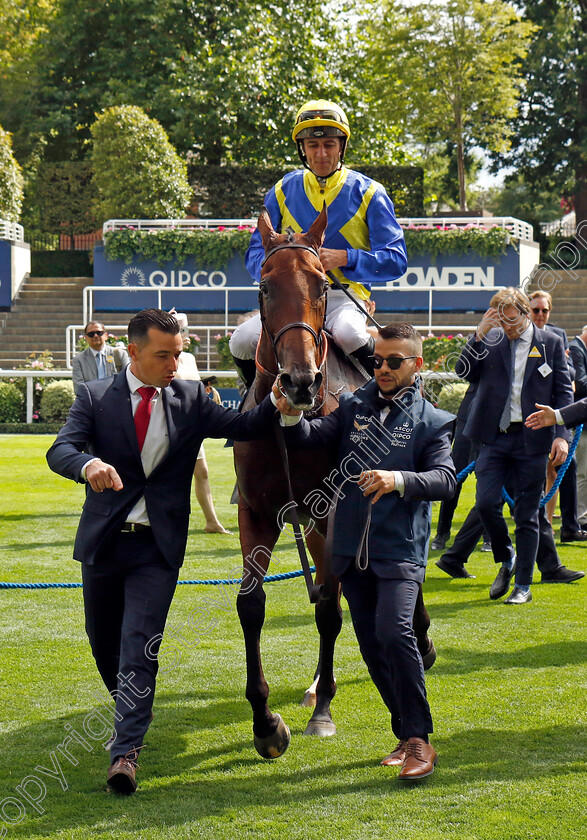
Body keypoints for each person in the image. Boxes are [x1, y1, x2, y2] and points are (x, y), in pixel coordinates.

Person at [46, 309, 277, 795]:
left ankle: (125, 752)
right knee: (103, 642)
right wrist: (88, 465)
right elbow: (61, 449)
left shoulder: (192, 397)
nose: (175, 363)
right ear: (132, 352)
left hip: (158, 549)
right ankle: (129, 709)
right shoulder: (94, 397)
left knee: (139, 645)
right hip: (104, 545)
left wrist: (281, 401)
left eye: (179, 353)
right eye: (163, 355)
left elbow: (247, 424)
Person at [274, 322, 457, 780]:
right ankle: (405, 734)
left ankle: (420, 741)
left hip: (400, 550)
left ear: (417, 365)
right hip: (351, 551)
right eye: (377, 360)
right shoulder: (353, 406)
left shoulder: (433, 421)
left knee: (396, 635)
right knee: (373, 645)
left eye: (394, 361)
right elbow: (310, 441)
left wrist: (398, 480)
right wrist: (292, 416)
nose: (383, 368)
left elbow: (446, 481)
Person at [229, 99, 408, 385]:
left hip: (342, 298)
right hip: (292, 300)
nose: (321, 153)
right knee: (241, 341)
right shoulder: (282, 190)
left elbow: (396, 260)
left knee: (349, 334)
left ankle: (386, 397)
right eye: (313, 146)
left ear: (341, 146)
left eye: (329, 144)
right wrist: (279, 266)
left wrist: (345, 258)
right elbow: (254, 252)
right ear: (302, 149)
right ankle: (253, 403)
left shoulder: (370, 192)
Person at [455, 287, 574, 604]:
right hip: (494, 437)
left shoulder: (551, 343)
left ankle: (523, 585)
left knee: (527, 515)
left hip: (533, 438)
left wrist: (562, 434)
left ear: (525, 313)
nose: (506, 328)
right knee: (485, 503)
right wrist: (479, 335)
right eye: (501, 321)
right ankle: (505, 556)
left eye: (511, 321)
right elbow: (463, 371)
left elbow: (564, 393)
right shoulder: (491, 340)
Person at [527, 291, 586, 541]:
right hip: (528, 415)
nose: (541, 315)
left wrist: (561, 364)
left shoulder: (557, 336)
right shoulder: (517, 336)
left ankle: (567, 525)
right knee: (533, 471)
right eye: (536, 310)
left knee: (565, 466)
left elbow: (567, 373)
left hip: (555, 413)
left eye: (544, 310)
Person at [171, 312, 230, 534]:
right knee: (173, 475)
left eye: (185, 330)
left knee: (202, 472)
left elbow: (191, 386)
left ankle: (211, 521)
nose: (185, 335)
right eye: (180, 330)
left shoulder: (190, 358)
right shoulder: (167, 356)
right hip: (172, 423)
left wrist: (206, 389)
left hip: (191, 423)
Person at [72, 321, 129, 393]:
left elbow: (128, 380)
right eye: (91, 334)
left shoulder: (120, 354)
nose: (95, 336)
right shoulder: (79, 359)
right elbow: (78, 388)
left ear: (105, 335)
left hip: (117, 401)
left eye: (99, 333)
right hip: (92, 402)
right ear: (85, 338)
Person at [569, 324, 587, 529]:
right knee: (582, 472)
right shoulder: (575, 348)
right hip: (580, 420)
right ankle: (581, 518)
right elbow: (580, 384)